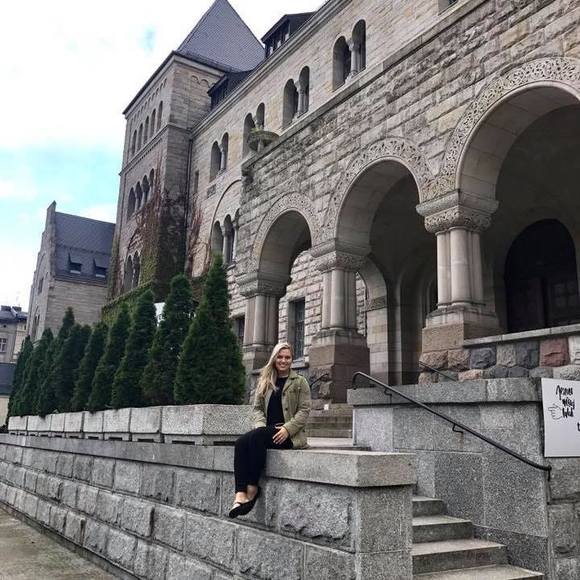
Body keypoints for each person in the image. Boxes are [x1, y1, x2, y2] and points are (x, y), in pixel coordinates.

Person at [229, 342, 311, 518]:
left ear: (292, 359)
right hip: (266, 432)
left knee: (256, 438)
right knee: (240, 443)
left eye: (287, 357)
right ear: (274, 359)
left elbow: (304, 411)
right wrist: (260, 426)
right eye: (280, 357)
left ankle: (252, 489)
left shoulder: (300, 382)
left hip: (289, 435)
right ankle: (240, 494)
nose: (283, 360)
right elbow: (257, 409)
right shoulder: (265, 381)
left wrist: (288, 429)